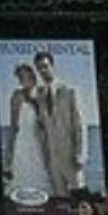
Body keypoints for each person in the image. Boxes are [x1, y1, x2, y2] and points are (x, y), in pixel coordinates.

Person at [33, 50, 84, 196]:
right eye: (39, 68)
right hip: (52, 158)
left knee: (79, 196)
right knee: (60, 200)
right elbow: (42, 127)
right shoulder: (40, 95)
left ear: (52, 66)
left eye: (45, 66)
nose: (43, 71)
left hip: (70, 155)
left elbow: (79, 124)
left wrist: (79, 154)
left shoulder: (69, 90)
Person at [4, 63, 51, 197]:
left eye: (26, 76)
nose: (24, 79)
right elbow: (13, 124)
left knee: (40, 173)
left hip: (38, 140)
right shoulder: (16, 95)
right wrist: (9, 153)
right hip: (22, 141)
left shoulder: (42, 93)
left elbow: (46, 121)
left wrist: (34, 103)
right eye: (21, 77)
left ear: (32, 76)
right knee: (21, 174)